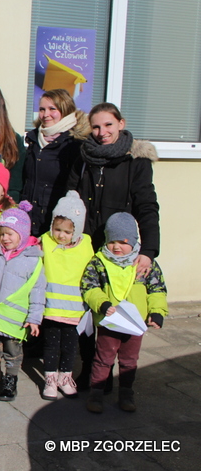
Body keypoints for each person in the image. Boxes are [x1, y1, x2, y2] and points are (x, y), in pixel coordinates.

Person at [83, 213, 167, 413]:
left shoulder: (146, 264)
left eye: (123, 241)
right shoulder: (99, 262)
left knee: (129, 361)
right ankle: (96, 394)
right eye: (112, 241)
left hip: (135, 324)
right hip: (109, 322)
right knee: (103, 358)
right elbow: (89, 287)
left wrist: (157, 312)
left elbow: (157, 289)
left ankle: (126, 394)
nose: (117, 246)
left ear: (134, 242)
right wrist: (101, 304)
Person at [66, 102, 159, 279]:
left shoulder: (136, 161)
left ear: (121, 124)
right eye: (96, 127)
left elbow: (147, 206)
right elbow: (69, 201)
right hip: (84, 247)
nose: (102, 133)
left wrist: (148, 251)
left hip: (118, 250)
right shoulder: (83, 159)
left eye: (108, 125)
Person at [0, 201, 46, 402]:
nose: (5, 238)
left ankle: (10, 379)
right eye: (1, 234)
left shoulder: (33, 259)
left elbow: (37, 291)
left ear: (22, 235)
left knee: (13, 352)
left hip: (16, 319)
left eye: (10, 234)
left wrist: (34, 318)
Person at [40, 191, 94, 400]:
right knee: (51, 345)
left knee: (70, 347)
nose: (61, 235)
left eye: (67, 231)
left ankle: (65, 377)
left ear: (77, 231)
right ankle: (50, 379)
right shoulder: (45, 241)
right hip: (51, 307)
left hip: (75, 310)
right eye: (57, 229)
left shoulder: (85, 246)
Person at [21, 89, 90, 236]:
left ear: (65, 110)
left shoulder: (74, 144)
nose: (46, 115)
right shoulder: (34, 140)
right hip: (28, 221)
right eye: (42, 109)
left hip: (56, 225)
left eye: (52, 109)